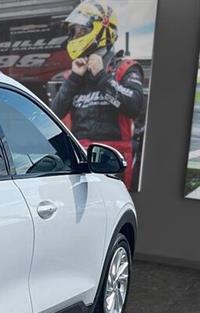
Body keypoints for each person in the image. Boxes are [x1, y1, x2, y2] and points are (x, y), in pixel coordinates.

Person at [51, 0, 144, 188]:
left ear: (102, 30)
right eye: (73, 32)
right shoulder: (75, 74)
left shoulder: (125, 68)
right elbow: (55, 113)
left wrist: (102, 76)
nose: (75, 36)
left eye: (81, 31)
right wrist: (74, 79)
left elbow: (134, 106)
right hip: (80, 156)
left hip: (114, 159)